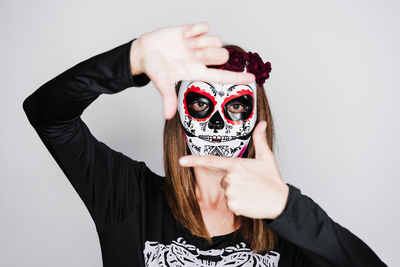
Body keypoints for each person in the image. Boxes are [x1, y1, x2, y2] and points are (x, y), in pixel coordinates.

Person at [22, 22, 387, 266]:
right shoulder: (126, 197)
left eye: (235, 106)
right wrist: (130, 59)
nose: (215, 122)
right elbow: (47, 114)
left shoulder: (286, 225)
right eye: (200, 103)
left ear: (257, 117)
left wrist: (290, 210)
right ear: (179, 115)